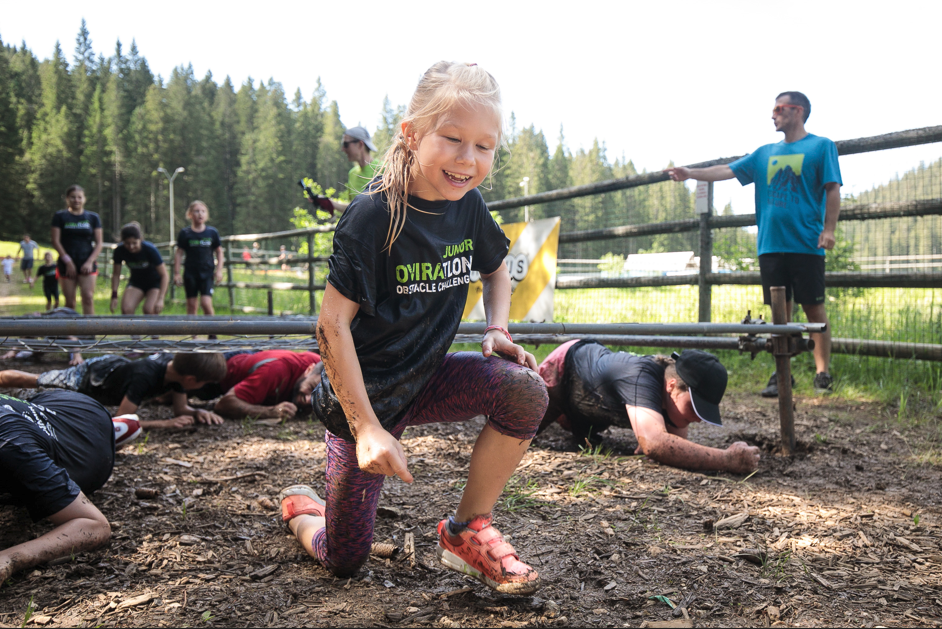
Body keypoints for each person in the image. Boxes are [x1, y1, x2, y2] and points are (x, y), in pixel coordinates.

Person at [280, 62, 548, 596]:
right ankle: (302, 511)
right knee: (345, 560)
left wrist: (497, 328)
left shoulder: (468, 206)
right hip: (365, 398)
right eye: (452, 139)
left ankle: (466, 531)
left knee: (524, 392)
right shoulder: (372, 215)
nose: (468, 160)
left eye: (484, 147)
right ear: (412, 133)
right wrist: (367, 428)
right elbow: (331, 325)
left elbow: (496, 267)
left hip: (427, 377)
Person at [667, 91, 842, 395]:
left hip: (806, 244)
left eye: (779, 109)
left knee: (814, 309)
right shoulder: (764, 153)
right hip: (770, 246)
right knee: (780, 317)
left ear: (798, 111)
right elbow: (727, 170)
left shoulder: (821, 146)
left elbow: (832, 189)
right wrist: (690, 173)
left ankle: (822, 373)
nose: (772, 114)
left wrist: (829, 230)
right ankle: (782, 374)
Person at [537, 340, 760, 474]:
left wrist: (663, 446)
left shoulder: (669, 395)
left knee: (580, 434)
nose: (699, 419)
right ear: (672, 386)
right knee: (520, 433)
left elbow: (673, 447)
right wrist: (729, 460)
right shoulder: (641, 376)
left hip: (588, 409)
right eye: (694, 407)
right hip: (562, 370)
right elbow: (656, 444)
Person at [0, 390, 143, 583]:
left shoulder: (14, 448)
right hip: (38, 410)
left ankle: (111, 431)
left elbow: (95, 526)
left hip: (81, 421)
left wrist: (9, 558)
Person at [0, 352, 227, 431]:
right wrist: (163, 424)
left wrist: (196, 412)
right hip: (89, 378)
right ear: (191, 379)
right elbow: (119, 420)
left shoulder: (176, 375)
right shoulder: (145, 378)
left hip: (112, 369)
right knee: (36, 381)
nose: (204, 388)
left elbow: (181, 409)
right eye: (204, 383)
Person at [194, 350, 323, 421]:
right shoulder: (275, 372)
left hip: (254, 357)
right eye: (311, 388)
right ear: (308, 370)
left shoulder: (323, 367)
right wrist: (270, 412)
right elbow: (224, 404)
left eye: (320, 397)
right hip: (216, 374)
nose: (308, 401)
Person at [51, 185, 103, 320]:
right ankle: (70, 336)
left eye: (79, 197)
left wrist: (90, 262)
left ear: (84, 199)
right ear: (67, 199)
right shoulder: (60, 216)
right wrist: (68, 262)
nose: (76, 200)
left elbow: (99, 243)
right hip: (66, 263)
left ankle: (90, 334)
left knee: (88, 298)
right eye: (73, 197)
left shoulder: (93, 217)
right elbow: (56, 241)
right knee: (70, 302)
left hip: (86, 262)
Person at [174, 201, 224, 316]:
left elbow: (219, 252)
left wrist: (219, 270)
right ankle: (194, 333)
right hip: (190, 273)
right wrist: (176, 273)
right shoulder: (185, 233)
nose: (200, 214)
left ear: (206, 215)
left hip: (207, 273)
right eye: (196, 211)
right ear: (190, 214)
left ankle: (212, 332)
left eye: (203, 211)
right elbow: (179, 253)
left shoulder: (212, 232)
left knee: (206, 303)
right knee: (191, 305)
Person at [110, 222, 169, 316]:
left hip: (154, 283)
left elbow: (164, 275)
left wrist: (161, 299)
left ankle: (152, 330)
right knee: (126, 309)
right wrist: (114, 295)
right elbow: (116, 274)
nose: (131, 247)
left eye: (134, 243)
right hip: (136, 282)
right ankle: (131, 330)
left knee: (149, 309)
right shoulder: (119, 251)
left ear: (140, 239)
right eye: (127, 243)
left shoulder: (150, 249)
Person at [326, 126, 383, 214]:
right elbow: (354, 210)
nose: (343, 149)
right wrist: (330, 203)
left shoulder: (385, 169)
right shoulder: (352, 174)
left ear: (360, 144)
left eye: (346, 144)